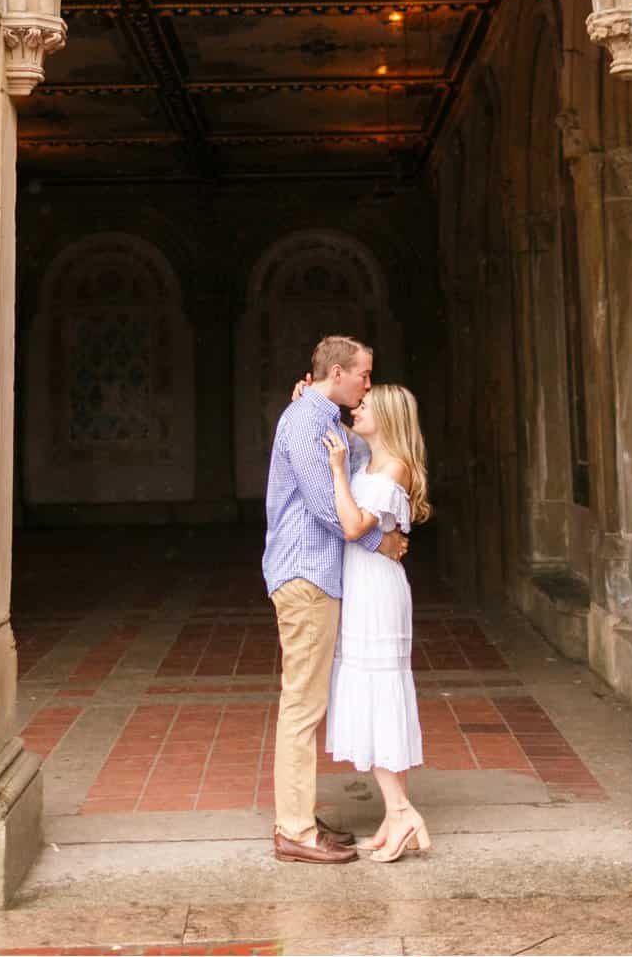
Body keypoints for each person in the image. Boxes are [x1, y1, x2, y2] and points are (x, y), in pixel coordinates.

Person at [262, 335, 409, 865]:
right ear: (339, 373)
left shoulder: (321, 419)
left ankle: (298, 816)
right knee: (302, 703)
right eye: (364, 376)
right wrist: (383, 542)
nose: (368, 384)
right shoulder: (305, 422)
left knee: (307, 702)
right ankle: (295, 832)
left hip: (319, 576)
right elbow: (330, 508)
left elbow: (366, 458)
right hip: (305, 574)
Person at [322, 384, 433, 862]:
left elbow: (353, 526)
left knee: (380, 692)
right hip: (363, 583)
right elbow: (334, 427)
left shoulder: (394, 468)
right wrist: (308, 397)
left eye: (365, 406)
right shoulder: (370, 459)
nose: (355, 408)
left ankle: (404, 810)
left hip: (377, 591)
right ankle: (393, 814)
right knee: (372, 691)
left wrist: (335, 474)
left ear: (386, 417)